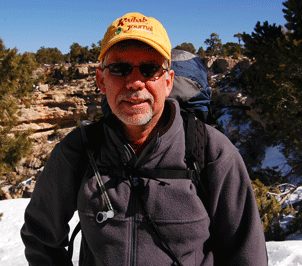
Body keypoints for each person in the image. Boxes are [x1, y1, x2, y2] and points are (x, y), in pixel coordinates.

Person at [21, 12, 268, 266]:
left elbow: (247, 255)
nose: (135, 82)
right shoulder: (78, 151)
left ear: (169, 81)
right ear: (100, 80)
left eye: (150, 69)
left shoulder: (211, 153)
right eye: (119, 68)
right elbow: (41, 237)